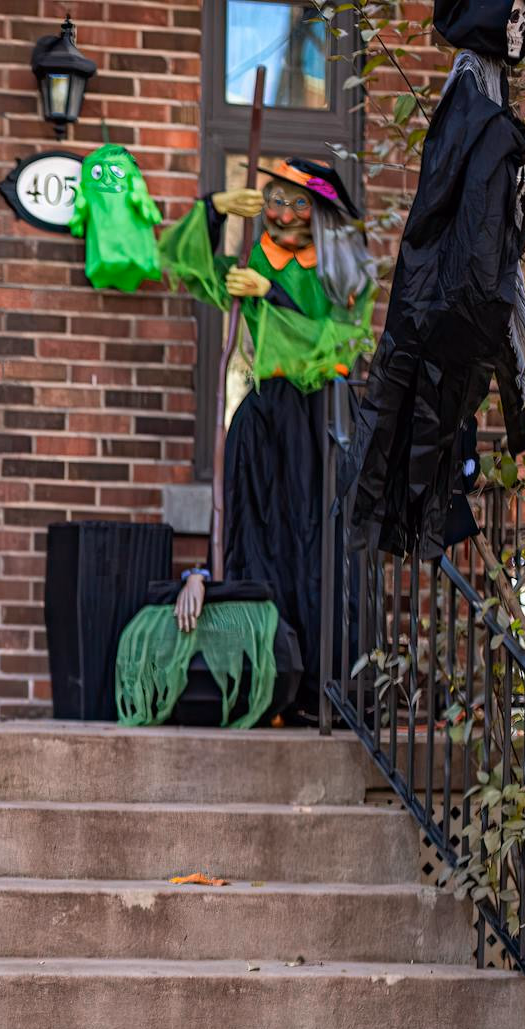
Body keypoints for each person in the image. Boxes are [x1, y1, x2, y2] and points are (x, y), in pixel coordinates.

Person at [345, 0, 525, 561]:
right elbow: (461, 179)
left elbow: (484, 175)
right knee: (426, 399)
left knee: (447, 405)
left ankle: (435, 507)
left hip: (455, 288)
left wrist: (517, 168)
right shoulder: (469, 92)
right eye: (509, 16)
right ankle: (413, 516)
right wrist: (516, 156)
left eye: (524, 20)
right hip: (439, 288)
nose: (518, 28)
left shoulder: (492, 97)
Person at [160, 157, 376, 707]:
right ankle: (267, 678)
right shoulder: (255, 255)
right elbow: (196, 275)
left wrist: (272, 296)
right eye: (274, 200)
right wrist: (212, 212)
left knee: (320, 541)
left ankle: (325, 685)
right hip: (264, 414)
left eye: (297, 202)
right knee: (258, 535)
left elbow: (337, 344)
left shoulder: (345, 269)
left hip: (323, 418)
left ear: (320, 212)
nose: (282, 213)